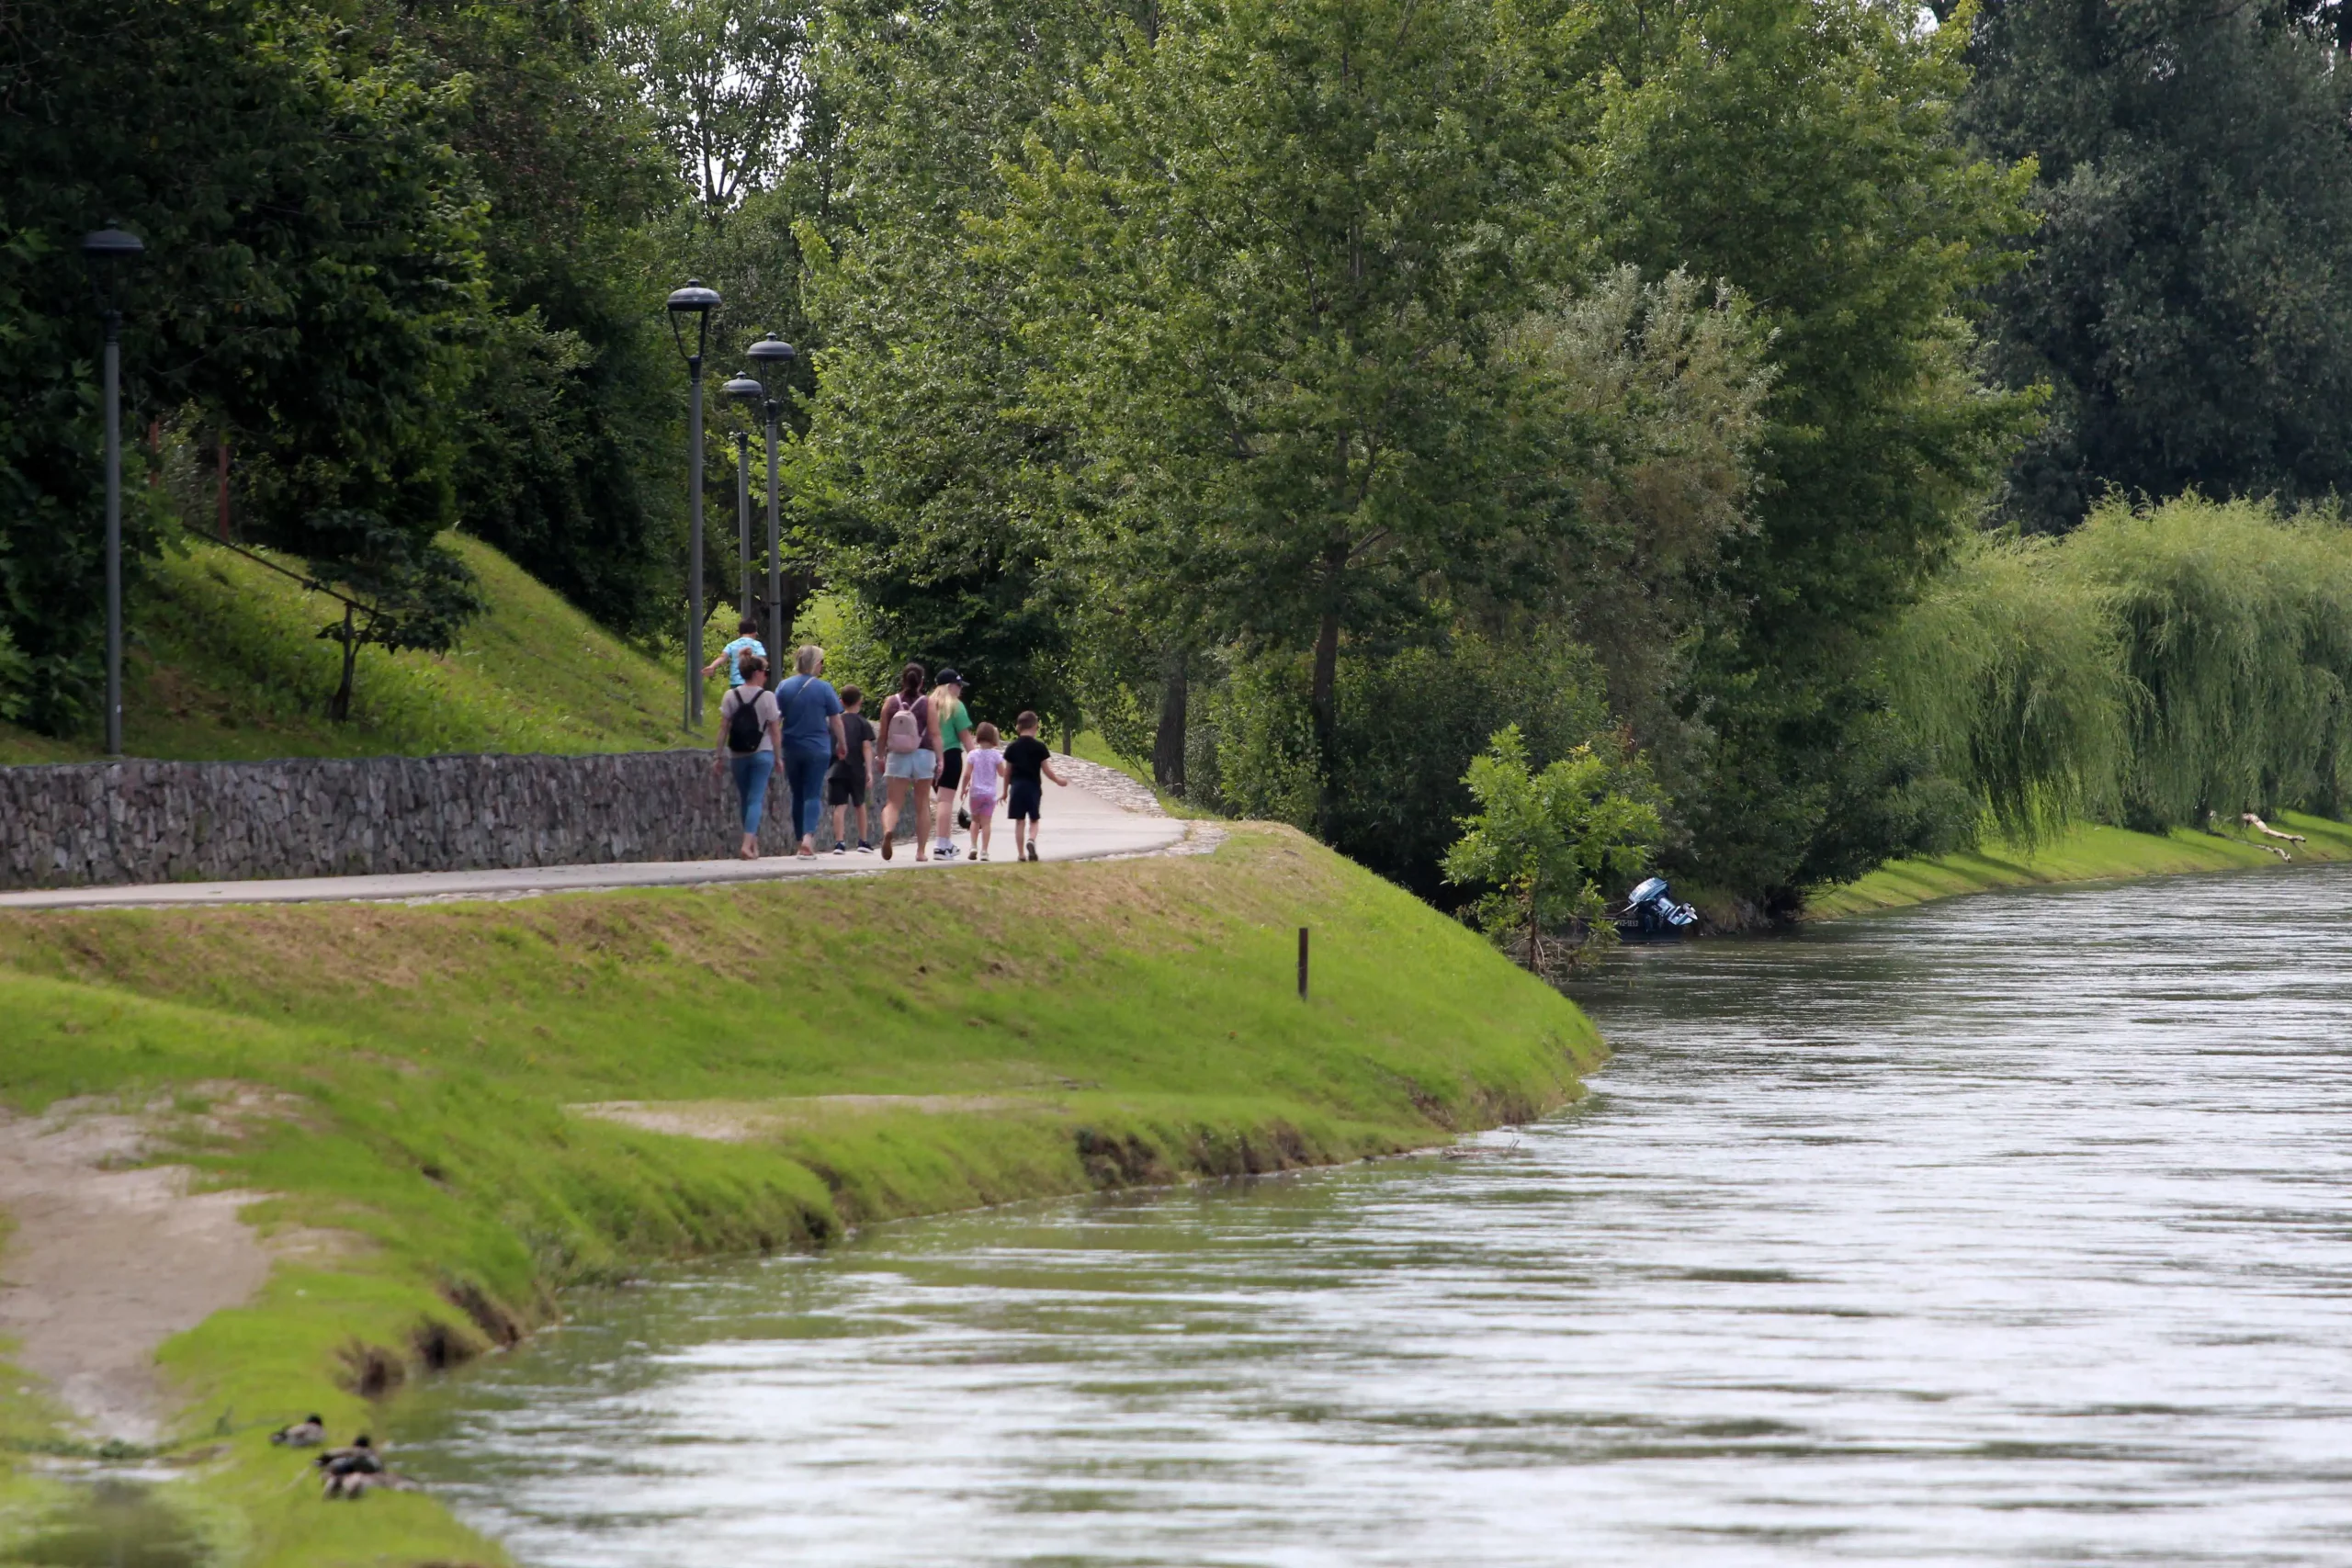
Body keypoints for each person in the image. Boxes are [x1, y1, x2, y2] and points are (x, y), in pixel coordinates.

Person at [771, 645, 848, 859]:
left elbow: (775, 722)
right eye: (821, 661)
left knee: (797, 795)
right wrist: (843, 744)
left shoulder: (783, 687)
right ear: (815, 663)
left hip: (791, 748)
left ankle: (799, 842)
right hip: (818, 749)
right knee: (812, 794)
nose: (822, 666)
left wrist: (776, 751)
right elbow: (836, 721)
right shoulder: (824, 688)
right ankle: (807, 840)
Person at [711, 655, 781, 859]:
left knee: (746, 800)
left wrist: (718, 756)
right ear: (757, 672)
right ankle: (746, 844)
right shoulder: (767, 697)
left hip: (737, 754)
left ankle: (752, 846)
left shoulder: (730, 696)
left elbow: (723, 728)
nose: (766, 676)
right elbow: (775, 732)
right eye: (765, 672)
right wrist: (778, 757)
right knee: (755, 799)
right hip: (763, 752)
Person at [875, 662, 937, 862]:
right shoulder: (928, 703)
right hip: (924, 754)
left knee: (893, 803)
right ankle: (920, 852)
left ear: (902, 680)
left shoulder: (890, 703)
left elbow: (882, 735)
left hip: (897, 755)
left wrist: (880, 756)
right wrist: (941, 759)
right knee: (922, 804)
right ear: (922, 682)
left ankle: (888, 831)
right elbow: (935, 734)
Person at [1001, 709, 1066, 863]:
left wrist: (1004, 792)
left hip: (1016, 787)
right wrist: (1058, 780)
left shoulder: (1012, 747)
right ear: (1035, 726)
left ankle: (1021, 854)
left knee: (1019, 821)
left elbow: (1007, 772)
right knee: (1034, 820)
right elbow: (1046, 770)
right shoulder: (1039, 747)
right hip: (1033, 788)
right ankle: (1031, 839)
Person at [929, 668, 977, 861]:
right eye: (958, 686)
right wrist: (976, 762)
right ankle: (941, 845)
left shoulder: (928, 705)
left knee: (938, 799)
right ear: (950, 686)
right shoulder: (956, 707)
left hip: (929, 757)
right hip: (950, 755)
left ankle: (946, 842)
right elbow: (966, 739)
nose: (960, 690)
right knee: (945, 801)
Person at [829, 685, 876, 853]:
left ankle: (839, 843)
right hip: (856, 769)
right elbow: (866, 748)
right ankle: (863, 841)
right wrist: (869, 771)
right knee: (859, 804)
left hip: (837, 769)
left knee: (839, 806)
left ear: (841, 702)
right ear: (860, 701)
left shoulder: (835, 722)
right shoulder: (863, 723)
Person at [959, 721, 1004, 861]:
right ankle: (984, 851)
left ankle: (973, 846)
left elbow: (967, 775)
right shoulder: (996, 756)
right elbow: (1002, 773)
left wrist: (963, 789)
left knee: (974, 821)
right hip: (989, 794)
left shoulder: (973, 755)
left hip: (975, 793)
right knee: (986, 823)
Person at [702, 615, 766, 689]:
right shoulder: (757, 644)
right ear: (755, 633)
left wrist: (712, 666)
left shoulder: (732, 645)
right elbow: (763, 661)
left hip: (735, 683)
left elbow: (722, 657)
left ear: (739, 633)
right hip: (753, 682)